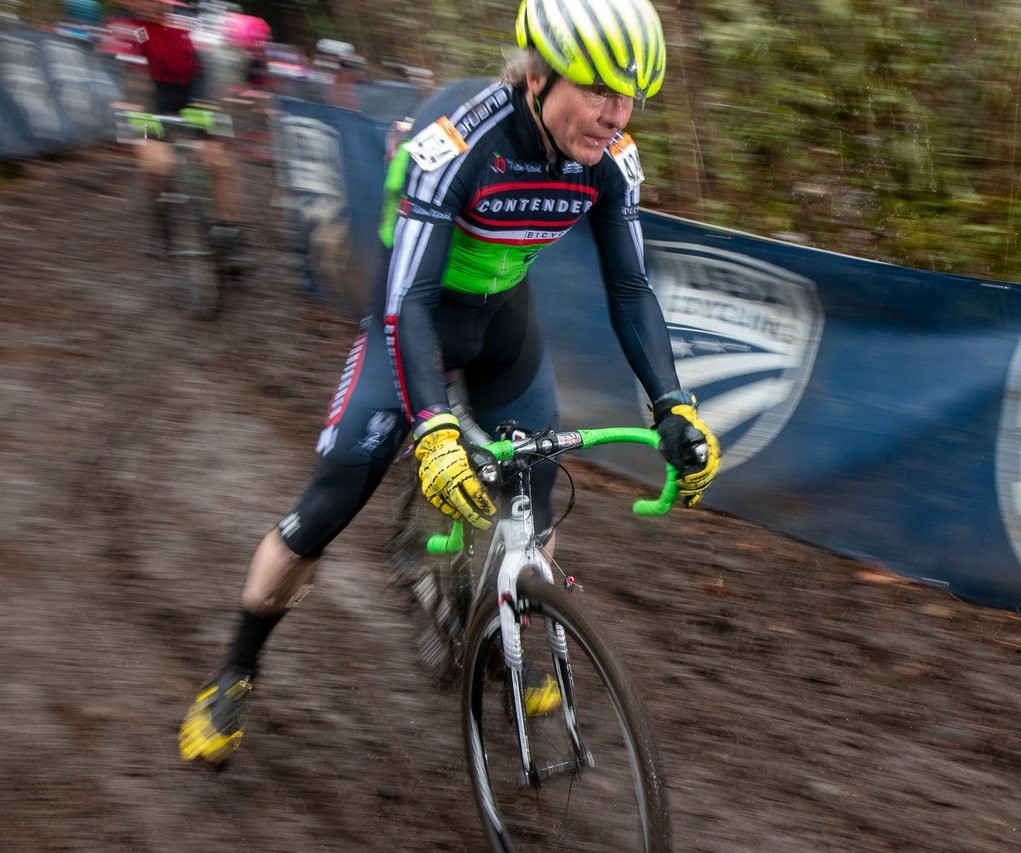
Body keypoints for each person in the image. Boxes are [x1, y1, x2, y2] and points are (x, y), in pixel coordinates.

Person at [178, 0, 721, 766]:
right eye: (598, 90)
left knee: (536, 481)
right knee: (324, 509)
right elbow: (413, 300)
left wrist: (673, 404)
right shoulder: (460, 142)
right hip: (416, 318)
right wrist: (431, 422)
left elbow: (631, 291)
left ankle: (526, 618)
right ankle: (235, 668)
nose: (615, 115)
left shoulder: (610, 158)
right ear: (538, 76)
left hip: (503, 326)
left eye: (630, 98)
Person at [122, 0, 245, 262]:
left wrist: (212, 112)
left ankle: (231, 234)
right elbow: (134, 82)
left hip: (195, 93)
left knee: (218, 161)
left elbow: (210, 71)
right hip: (154, 96)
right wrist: (139, 126)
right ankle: (160, 223)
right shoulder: (132, 28)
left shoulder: (187, 17)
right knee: (155, 164)